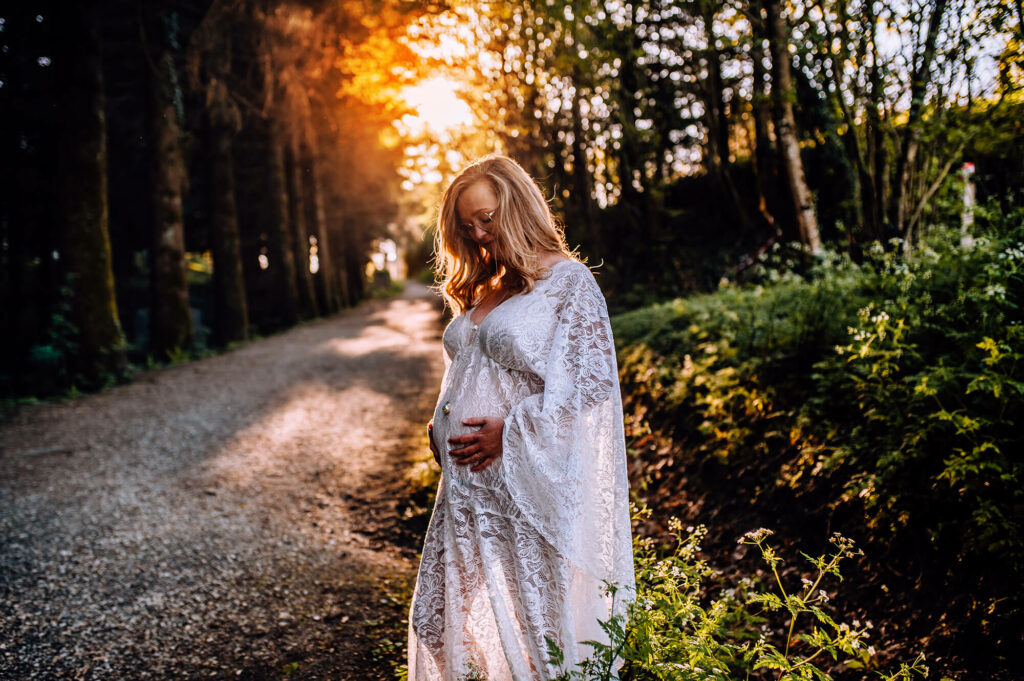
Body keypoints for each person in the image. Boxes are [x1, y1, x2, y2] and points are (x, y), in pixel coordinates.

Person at [407, 154, 635, 681]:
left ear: (516, 204)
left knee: (539, 635)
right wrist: (439, 422)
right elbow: (470, 369)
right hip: (463, 491)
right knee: (434, 621)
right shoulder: (489, 285)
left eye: (486, 219)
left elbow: (589, 382)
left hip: (522, 487)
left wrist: (510, 432)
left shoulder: (569, 282)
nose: (480, 234)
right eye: (468, 226)